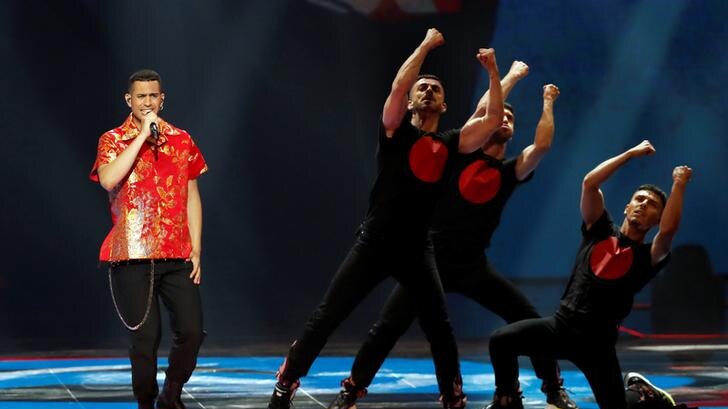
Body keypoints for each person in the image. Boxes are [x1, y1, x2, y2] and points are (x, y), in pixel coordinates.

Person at [267, 29, 505, 409]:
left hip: (415, 249)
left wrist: (493, 71)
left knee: (440, 328)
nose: (428, 91)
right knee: (329, 315)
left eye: (436, 90)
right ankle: (286, 382)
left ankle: (453, 398)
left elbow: (492, 120)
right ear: (411, 102)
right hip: (375, 241)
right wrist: (425, 46)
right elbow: (398, 86)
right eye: (422, 88)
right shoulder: (394, 130)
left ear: (444, 106)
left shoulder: (451, 143)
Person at [327, 61, 577, 409]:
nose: (503, 120)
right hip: (428, 259)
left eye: (511, 119)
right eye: (498, 115)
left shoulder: (509, 173)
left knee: (529, 319)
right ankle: (351, 390)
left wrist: (547, 102)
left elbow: (543, 146)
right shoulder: (457, 153)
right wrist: (512, 78)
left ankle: (553, 387)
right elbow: (484, 111)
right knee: (387, 327)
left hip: (473, 266)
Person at [485, 140, 692, 409]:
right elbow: (589, 183)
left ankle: (642, 393)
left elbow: (668, 232)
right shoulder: (599, 229)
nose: (643, 205)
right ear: (627, 208)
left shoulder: (649, 256)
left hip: (597, 345)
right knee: (501, 341)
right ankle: (507, 399)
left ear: (657, 218)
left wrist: (679, 184)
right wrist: (629, 154)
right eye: (638, 199)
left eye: (652, 205)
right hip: (561, 327)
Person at [90, 69, 207, 409]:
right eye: (140, 97)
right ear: (129, 100)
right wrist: (141, 136)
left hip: (176, 253)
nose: (147, 102)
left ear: (162, 98)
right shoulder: (112, 140)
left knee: (191, 331)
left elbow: (192, 195)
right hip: (131, 256)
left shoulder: (182, 139)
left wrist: (197, 247)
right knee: (146, 340)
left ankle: (172, 392)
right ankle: (147, 402)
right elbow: (109, 180)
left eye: (152, 96)